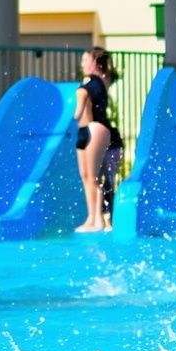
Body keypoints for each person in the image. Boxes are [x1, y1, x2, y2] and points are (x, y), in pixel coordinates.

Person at [73, 47, 123, 232]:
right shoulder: (97, 81)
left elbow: (85, 92)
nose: (83, 65)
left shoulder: (95, 82)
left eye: (87, 61)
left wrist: (77, 110)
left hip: (95, 129)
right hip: (83, 131)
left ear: (96, 64)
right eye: (83, 61)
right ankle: (91, 217)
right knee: (85, 176)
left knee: (94, 178)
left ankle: (98, 220)